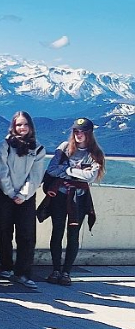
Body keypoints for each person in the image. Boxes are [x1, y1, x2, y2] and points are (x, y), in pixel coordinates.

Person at [41, 117, 105, 286]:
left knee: (73, 234)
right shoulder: (64, 148)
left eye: (82, 131)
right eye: (76, 131)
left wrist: (67, 171)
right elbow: (51, 170)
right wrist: (76, 171)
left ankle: (66, 272)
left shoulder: (95, 153)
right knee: (57, 231)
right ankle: (56, 270)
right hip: (60, 197)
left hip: (79, 199)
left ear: (89, 133)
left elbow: (90, 176)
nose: (79, 134)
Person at [0, 112, 46, 289]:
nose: (22, 128)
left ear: (30, 127)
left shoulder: (38, 148)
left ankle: (23, 272)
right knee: (4, 231)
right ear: (13, 127)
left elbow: (36, 175)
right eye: (18, 125)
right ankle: (6, 266)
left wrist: (23, 195)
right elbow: (1, 171)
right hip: (4, 194)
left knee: (26, 235)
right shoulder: (6, 145)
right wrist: (10, 192)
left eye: (25, 124)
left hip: (27, 198)